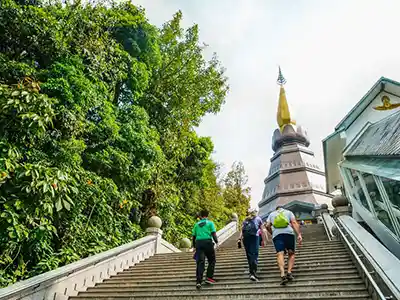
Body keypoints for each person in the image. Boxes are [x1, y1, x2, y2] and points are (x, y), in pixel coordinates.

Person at [266, 205, 302, 285]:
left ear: (276, 209)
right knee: (291, 253)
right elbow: (294, 222)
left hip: (277, 235)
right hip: (289, 233)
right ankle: (289, 272)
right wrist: (299, 234)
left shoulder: (272, 214)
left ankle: (282, 274)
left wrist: (271, 233)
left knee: (280, 253)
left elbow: (267, 225)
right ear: (283, 208)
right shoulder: (289, 212)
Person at [192, 209, 218, 290]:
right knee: (212, 260)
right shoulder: (210, 223)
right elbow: (213, 233)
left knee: (200, 262)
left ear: (200, 215)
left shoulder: (196, 225)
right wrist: (217, 242)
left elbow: (193, 237)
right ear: (207, 215)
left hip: (199, 244)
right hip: (207, 243)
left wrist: (194, 246)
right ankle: (209, 278)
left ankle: (198, 282)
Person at [238, 208, 265, 281]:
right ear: (256, 212)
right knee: (254, 254)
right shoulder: (258, 219)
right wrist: (263, 240)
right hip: (254, 237)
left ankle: (251, 273)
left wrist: (239, 239)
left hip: (245, 239)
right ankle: (253, 273)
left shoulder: (245, 220)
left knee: (249, 255)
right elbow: (262, 230)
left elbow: (242, 230)